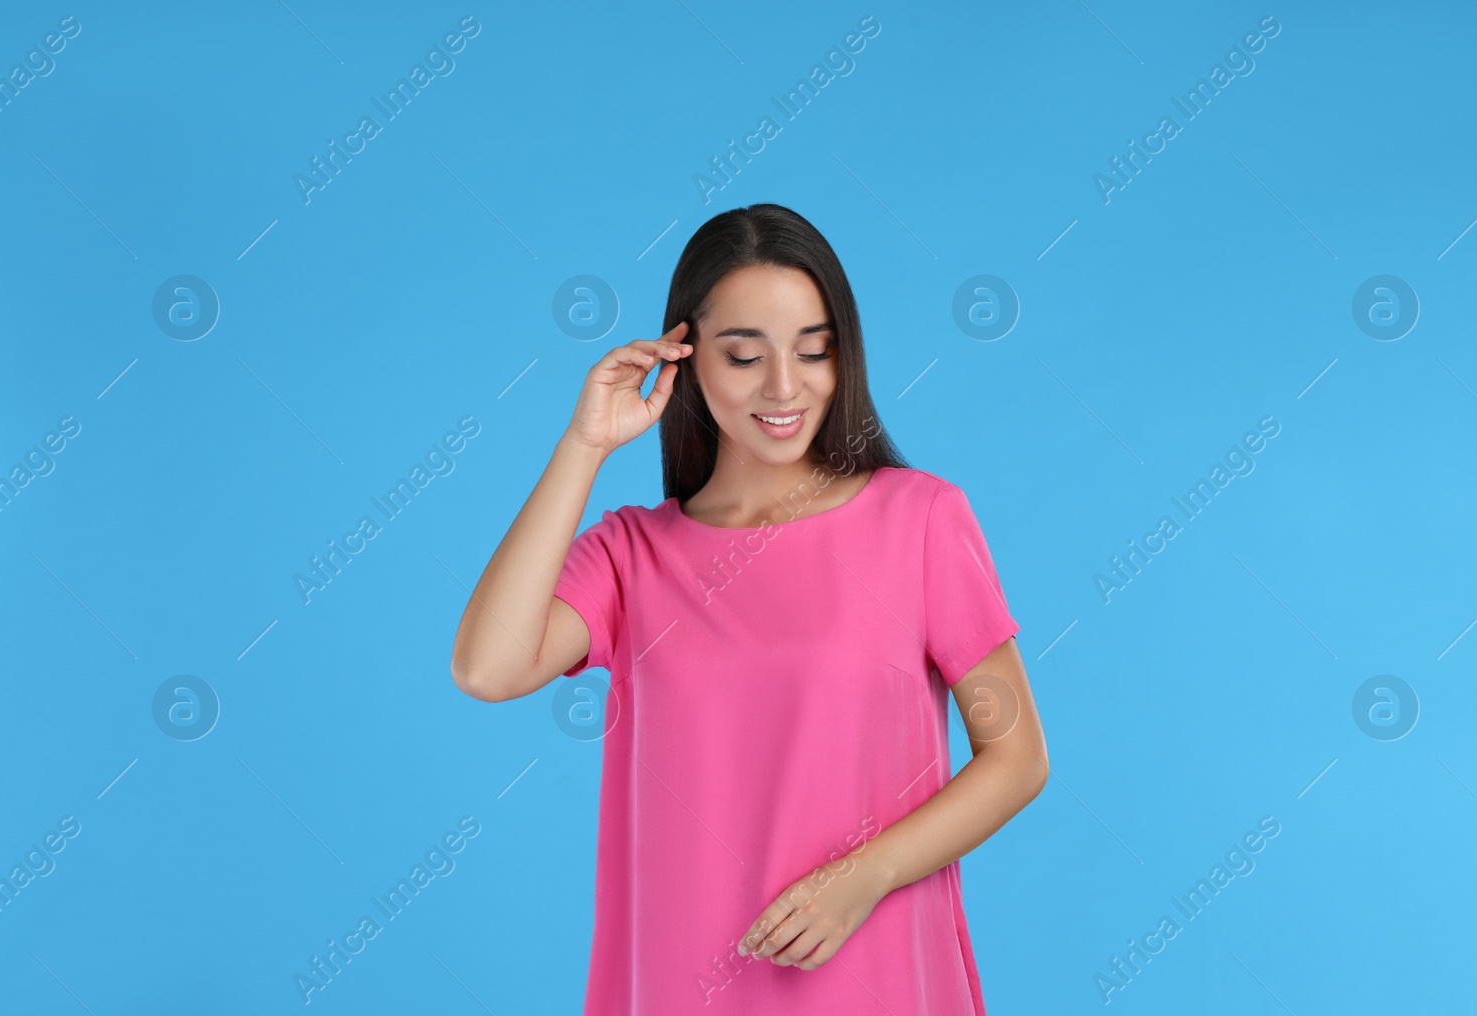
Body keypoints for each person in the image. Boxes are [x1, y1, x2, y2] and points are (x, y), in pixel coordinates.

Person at [449, 203, 1048, 1014]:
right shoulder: (634, 558)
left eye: (814, 351)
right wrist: (584, 445)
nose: (783, 387)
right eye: (743, 356)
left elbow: (1016, 758)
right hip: (677, 981)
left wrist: (866, 876)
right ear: (685, 359)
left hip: (869, 976)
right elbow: (488, 666)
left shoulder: (920, 522)